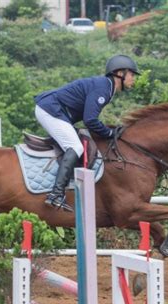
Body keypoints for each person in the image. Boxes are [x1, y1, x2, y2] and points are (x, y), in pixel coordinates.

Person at [34, 54, 140, 212]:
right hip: (51, 109)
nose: (133, 79)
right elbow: (90, 120)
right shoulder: (103, 88)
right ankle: (55, 194)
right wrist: (110, 133)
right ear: (120, 73)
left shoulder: (107, 88)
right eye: (131, 74)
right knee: (76, 147)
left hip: (56, 110)